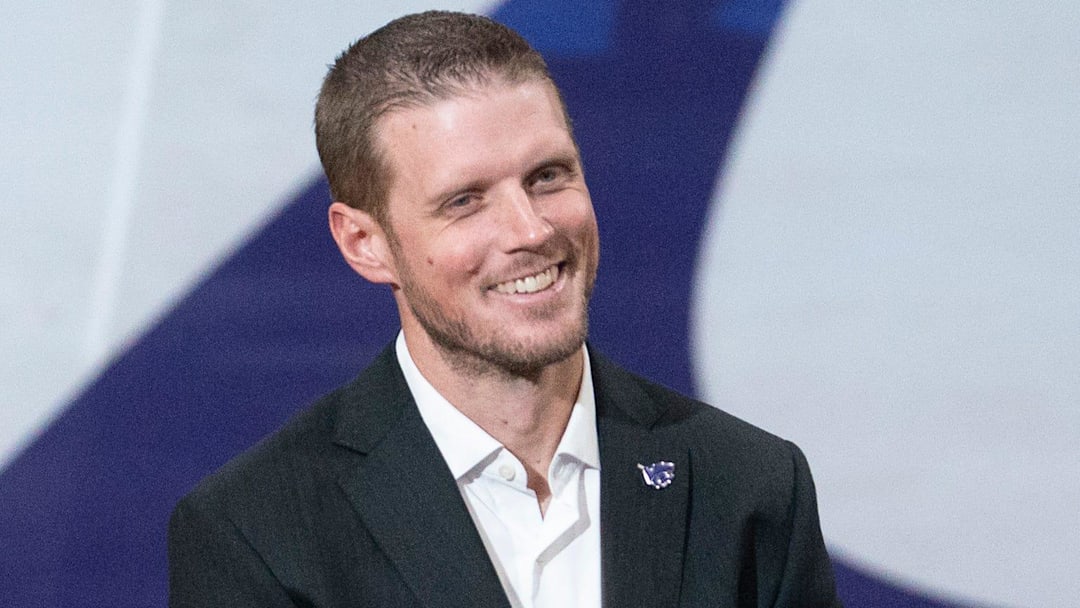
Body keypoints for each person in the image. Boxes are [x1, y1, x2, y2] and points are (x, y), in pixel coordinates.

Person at [167, 11, 841, 608]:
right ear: (366, 244)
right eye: (465, 200)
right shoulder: (256, 533)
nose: (530, 230)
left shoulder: (749, 485)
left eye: (548, 176)